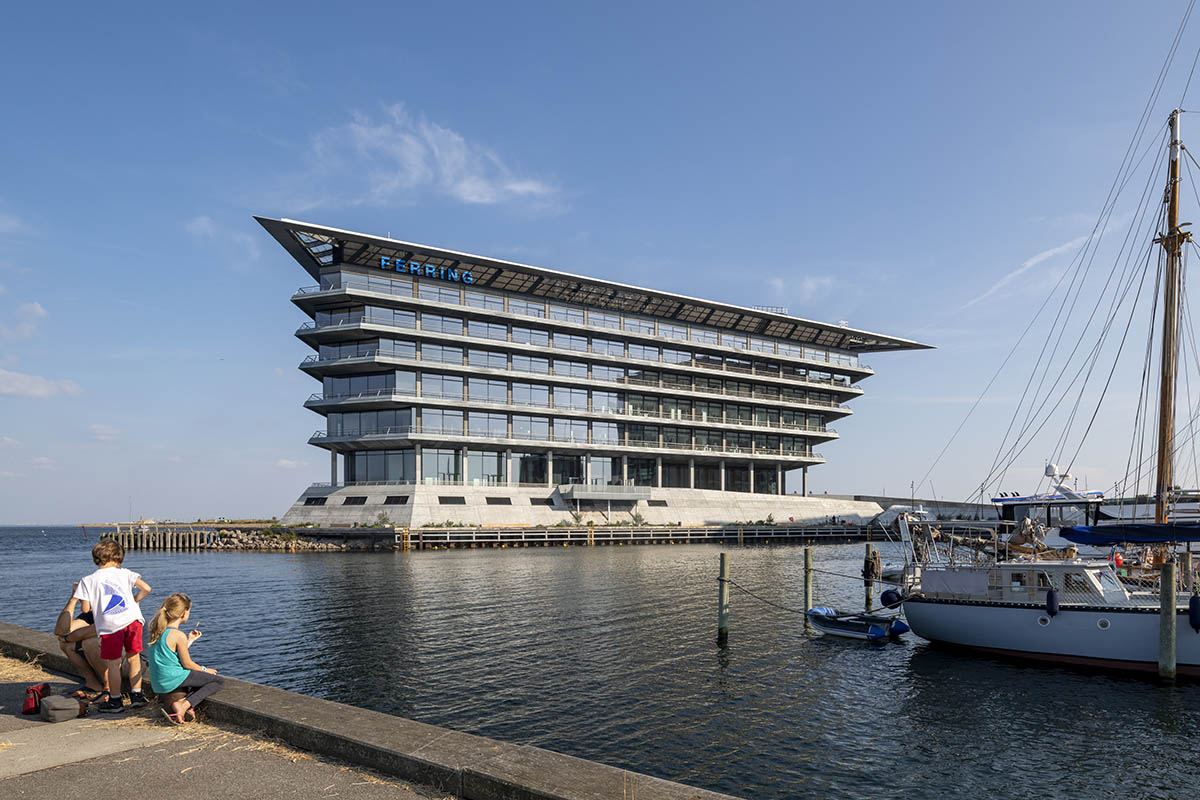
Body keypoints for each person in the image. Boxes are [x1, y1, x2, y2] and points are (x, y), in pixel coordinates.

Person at [73, 539, 151, 714]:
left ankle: (115, 700)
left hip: (110, 626)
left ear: (96, 558)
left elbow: (86, 608)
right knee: (134, 658)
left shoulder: (87, 580)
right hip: (133, 620)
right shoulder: (125, 573)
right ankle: (137, 696)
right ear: (118, 559)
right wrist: (135, 600)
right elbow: (146, 588)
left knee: (113, 664)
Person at [146, 593, 224, 724]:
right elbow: (187, 664)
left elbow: (170, 654)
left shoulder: (156, 632)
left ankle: (182, 705)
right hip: (172, 679)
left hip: (159, 683)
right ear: (183, 613)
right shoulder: (177, 634)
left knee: (196, 678)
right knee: (218, 681)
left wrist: (189, 641)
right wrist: (204, 669)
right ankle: (184, 705)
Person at [53, 583, 107, 700]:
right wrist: (73, 599)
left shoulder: (112, 611)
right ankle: (93, 684)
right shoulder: (90, 615)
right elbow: (60, 631)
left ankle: (109, 690)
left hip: (132, 661)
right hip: (112, 660)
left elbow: (89, 632)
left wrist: (68, 637)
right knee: (66, 645)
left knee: (90, 643)